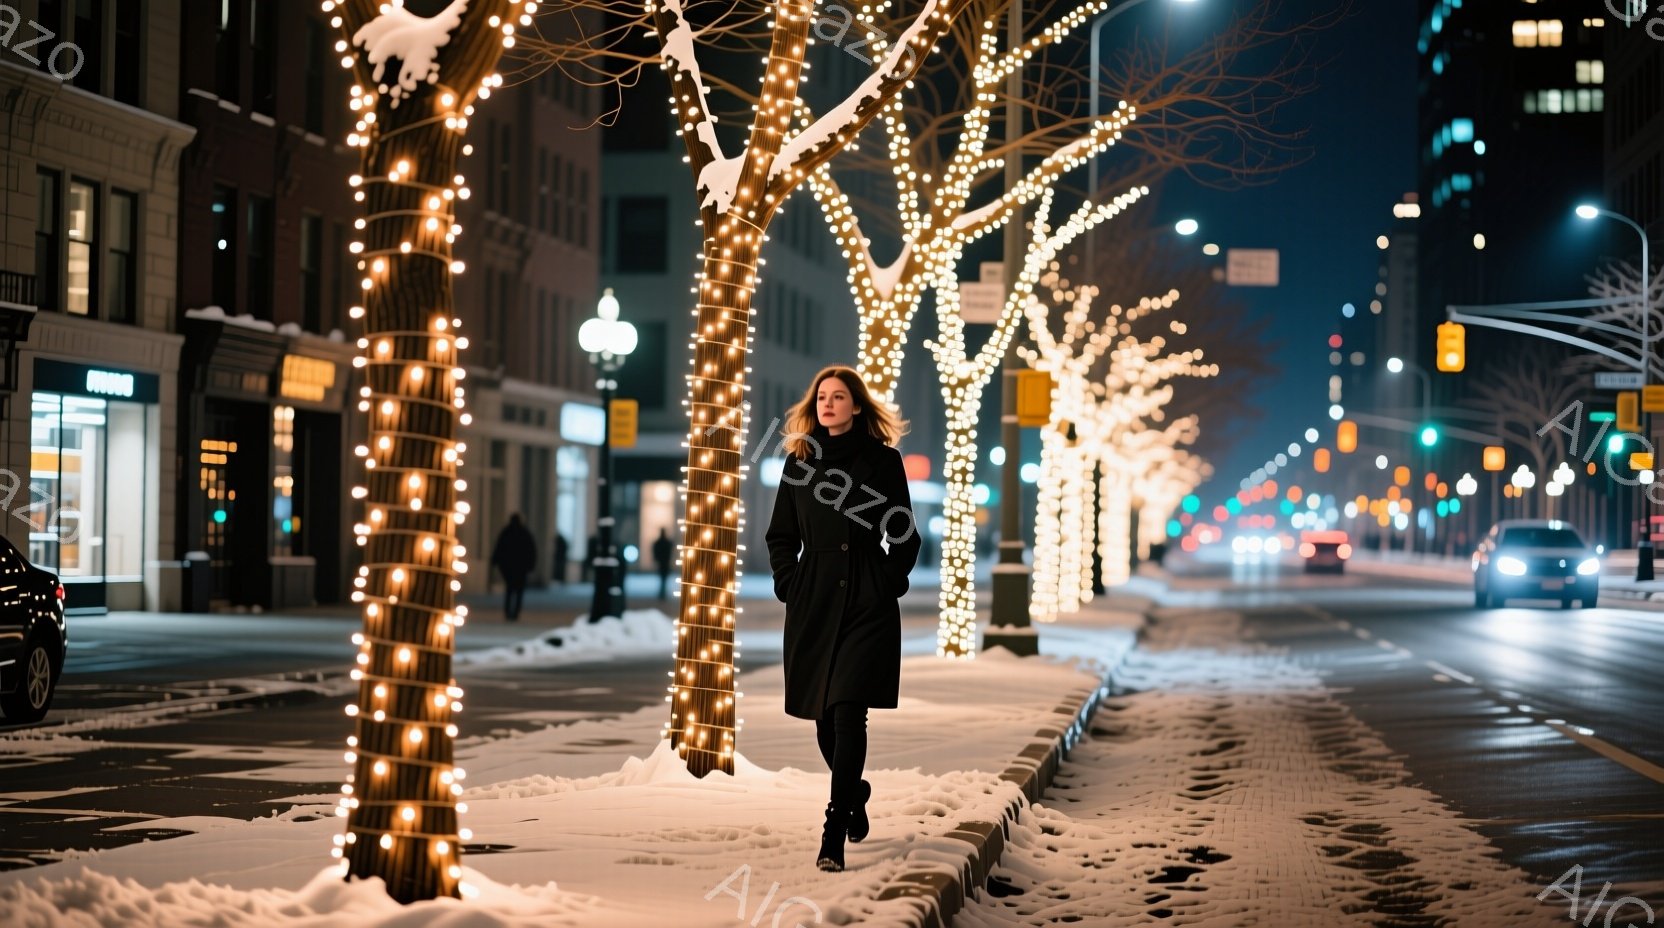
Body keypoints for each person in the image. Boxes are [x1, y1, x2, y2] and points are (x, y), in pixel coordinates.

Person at [765, 365, 921, 873]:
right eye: (821, 398)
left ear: (857, 405)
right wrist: (790, 582)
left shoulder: (884, 461)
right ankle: (854, 791)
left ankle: (834, 827)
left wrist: (888, 581)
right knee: (824, 721)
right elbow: (781, 536)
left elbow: (905, 533)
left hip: (866, 601)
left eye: (838, 397)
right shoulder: (799, 463)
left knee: (850, 709)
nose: (828, 404)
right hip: (813, 600)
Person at [491, 514, 537, 621]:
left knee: (509, 590)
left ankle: (508, 612)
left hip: (508, 567)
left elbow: (499, 548)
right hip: (521, 568)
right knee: (519, 591)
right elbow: (531, 550)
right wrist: (530, 565)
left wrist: (495, 561)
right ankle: (515, 612)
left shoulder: (506, 532)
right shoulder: (524, 533)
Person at [652, 528, 675, 600]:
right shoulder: (666, 542)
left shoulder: (659, 542)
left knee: (663, 578)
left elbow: (655, 550)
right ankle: (662, 593)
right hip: (665, 562)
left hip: (662, 562)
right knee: (664, 579)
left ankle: (662, 593)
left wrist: (656, 558)